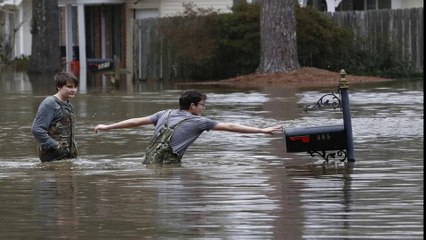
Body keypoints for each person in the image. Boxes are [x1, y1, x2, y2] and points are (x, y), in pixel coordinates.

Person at [94, 90, 283, 164]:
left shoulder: (164, 113)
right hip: (168, 166)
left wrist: (107, 127)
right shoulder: (200, 121)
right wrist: (261, 130)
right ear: (192, 106)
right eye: (202, 105)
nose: (204, 108)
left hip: (147, 162)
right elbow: (231, 126)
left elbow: (134, 121)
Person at [31, 72, 79, 162]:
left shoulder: (69, 105)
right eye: (70, 87)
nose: (74, 90)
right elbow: (37, 129)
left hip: (68, 156)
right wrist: (55, 146)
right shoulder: (49, 103)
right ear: (59, 87)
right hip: (53, 157)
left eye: (75, 87)